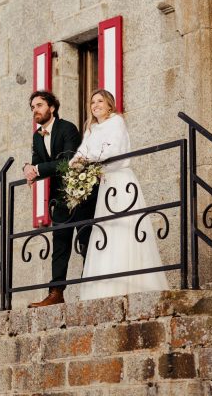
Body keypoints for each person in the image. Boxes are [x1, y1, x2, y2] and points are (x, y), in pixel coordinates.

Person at [70, 89, 168, 300]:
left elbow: (113, 151)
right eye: (92, 102)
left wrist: (86, 159)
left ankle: (132, 283)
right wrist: (75, 162)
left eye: (100, 101)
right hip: (105, 184)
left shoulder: (116, 122)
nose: (95, 105)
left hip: (120, 181)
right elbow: (81, 152)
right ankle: (107, 285)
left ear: (109, 105)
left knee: (124, 229)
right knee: (106, 233)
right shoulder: (91, 129)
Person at [23, 90, 97, 307]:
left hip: (81, 193)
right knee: (60, 244)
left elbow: (67, 161)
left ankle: (91, 288)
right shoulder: (37, 136)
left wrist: (36, 169)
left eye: (39, 105)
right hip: (59, 198)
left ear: (51, 108)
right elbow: (37, 162)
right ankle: (56, 293)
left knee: (86, 241)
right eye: (32, 107)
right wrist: (28, 168)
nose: (35, 110)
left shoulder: (68, 128)